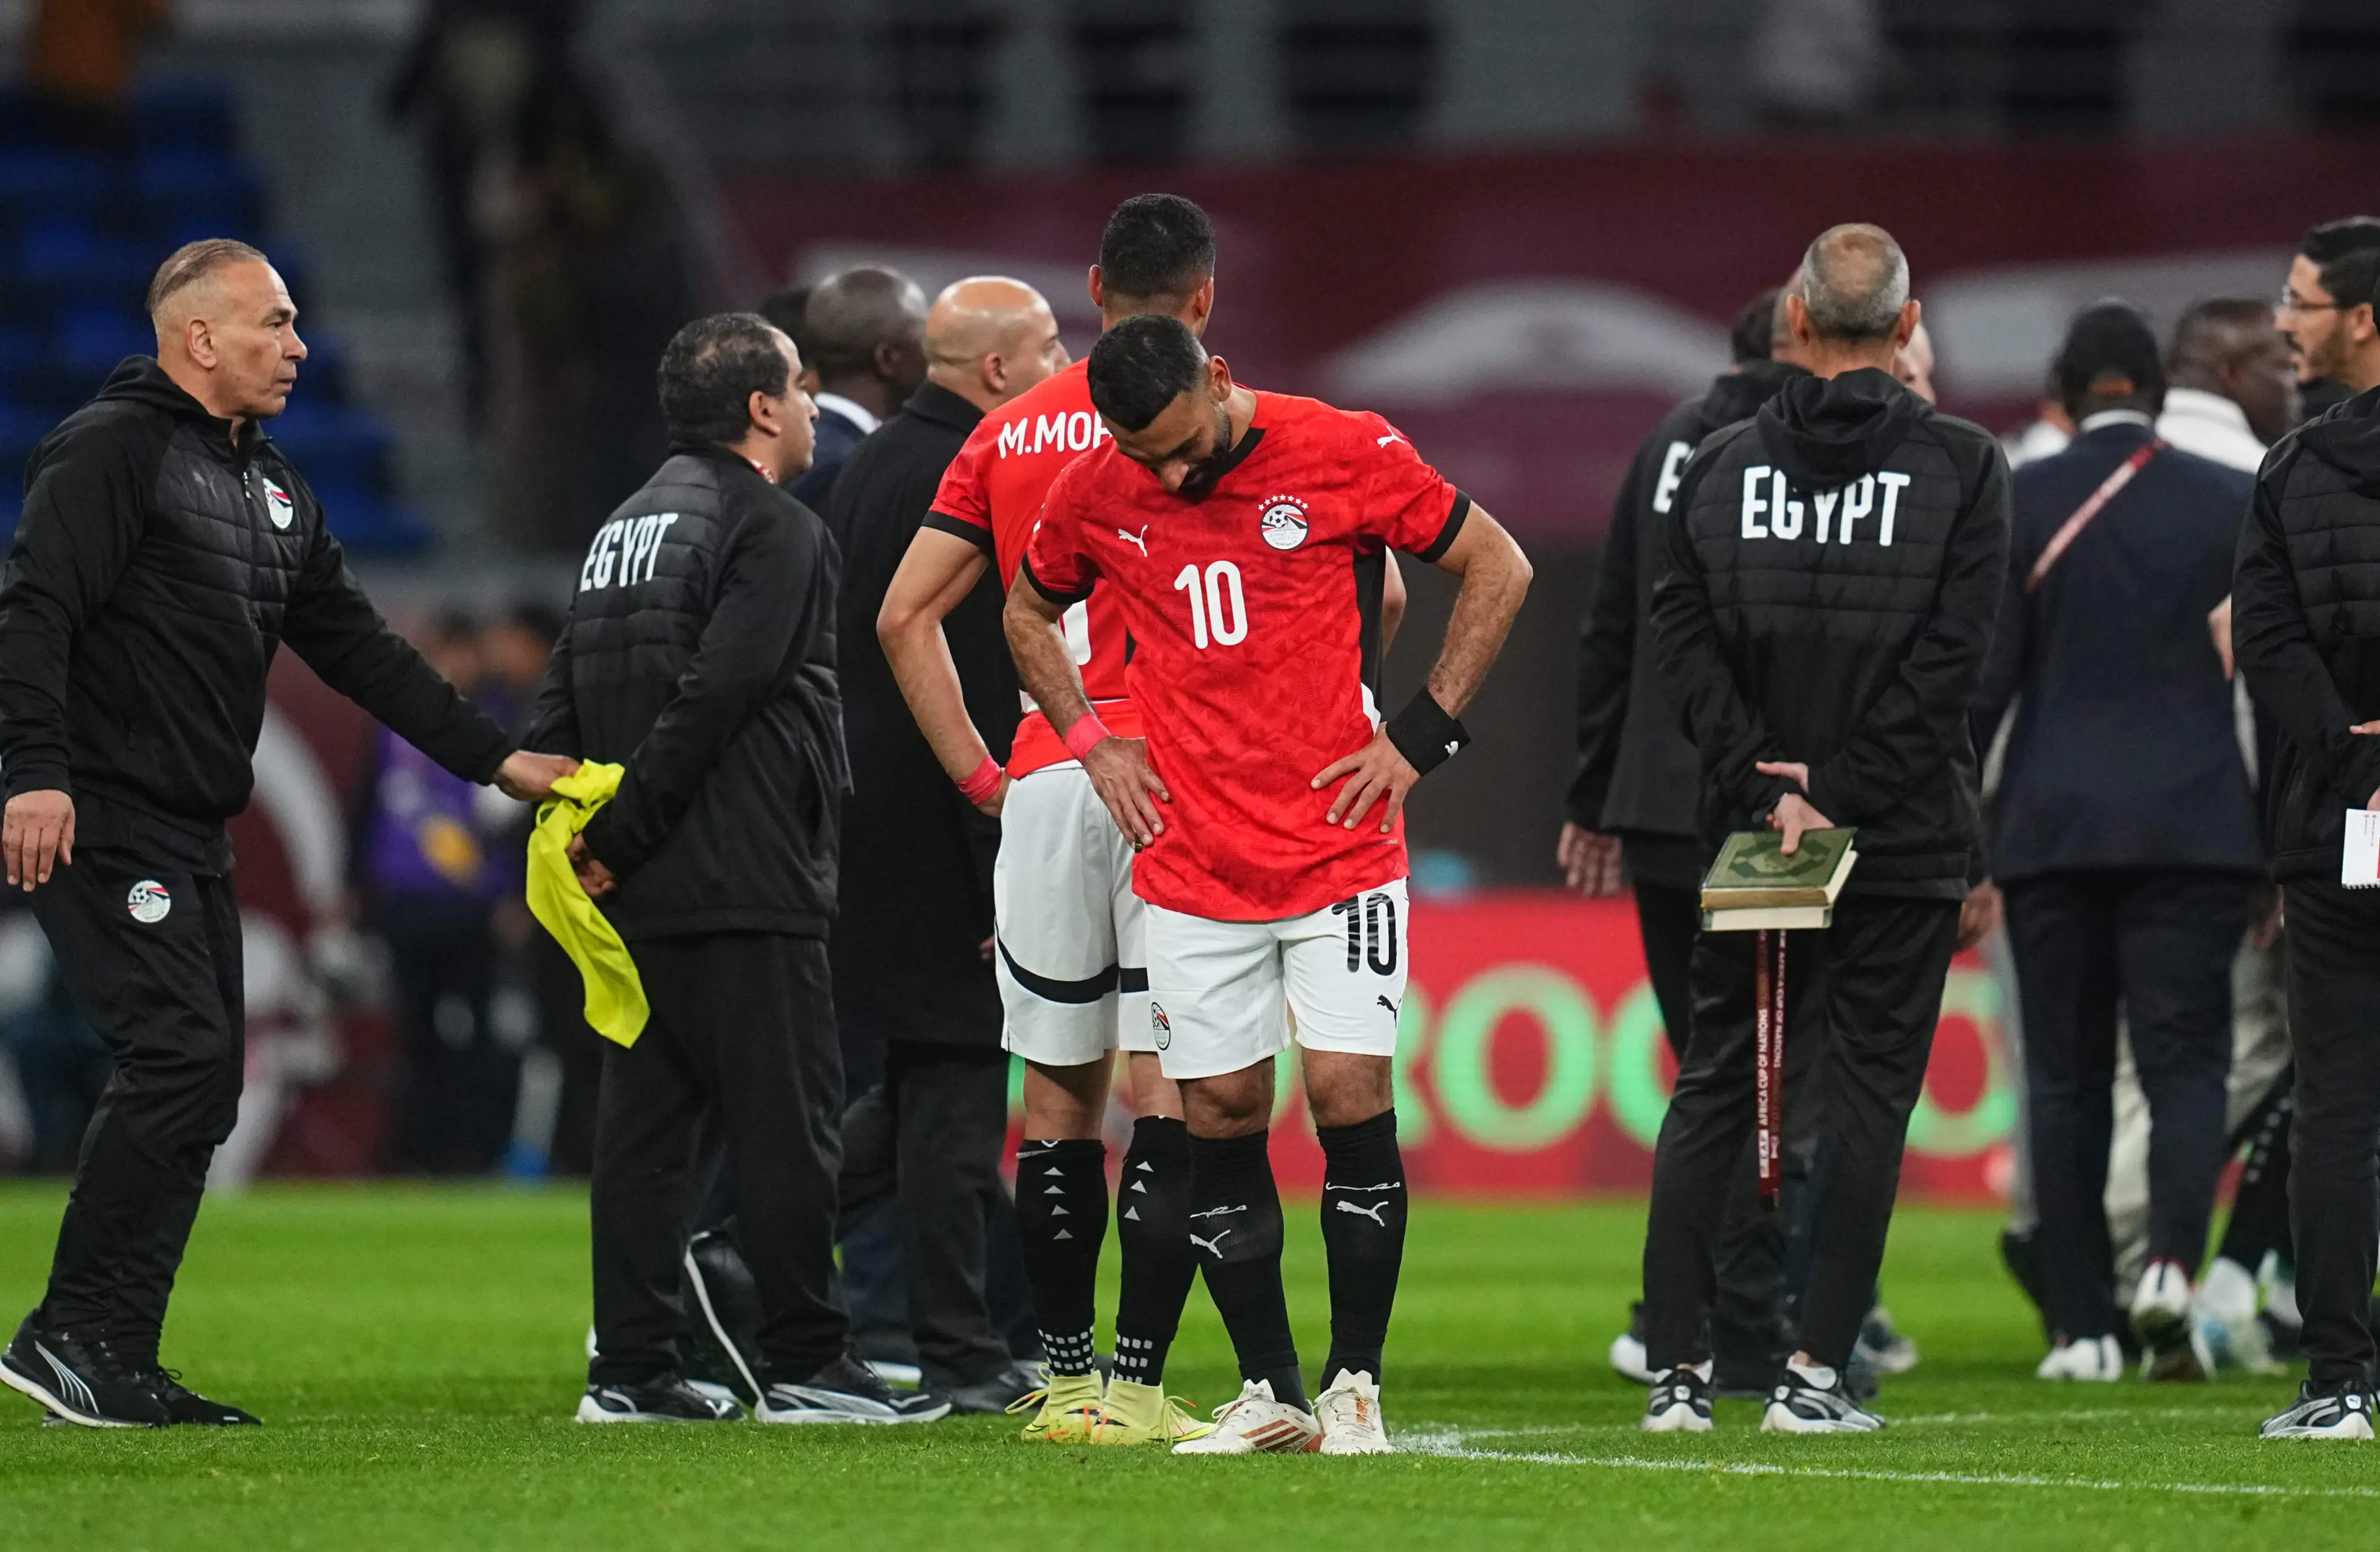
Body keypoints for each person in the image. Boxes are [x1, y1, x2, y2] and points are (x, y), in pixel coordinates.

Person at [0, 239, 574, 1429]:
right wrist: (35, 773)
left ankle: (107, 1344)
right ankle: (71, 1333)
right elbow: (35, 609)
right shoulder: (112, 448)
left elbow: (358, 646)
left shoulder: (271, 489)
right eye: (274, 323)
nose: (300, 345)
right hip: (107, 812)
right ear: (198, 336)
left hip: (191, 823)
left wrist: (493, 755)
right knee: (176, 1056)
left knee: (203, 1074)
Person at [1006, 314, 1532, 1454]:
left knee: (1348, 1092)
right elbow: (1026, 607)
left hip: (1340, 848)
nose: (1173, 474)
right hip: (1192, 862)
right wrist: (1091, 738)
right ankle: (1273, 1390)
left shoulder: (1343, 448)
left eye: (1186, 447)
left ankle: (1356, 1386)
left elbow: (1499, 562)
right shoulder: (1098, 485)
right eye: (1149, 457)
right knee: (1220, 1113)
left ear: (1224, 376)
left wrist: (1420, 736)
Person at [526, 312, 942, 1427]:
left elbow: (566, 687)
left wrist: (592, 832)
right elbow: (718, 695)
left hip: (641, 883)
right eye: (800, 388)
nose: (811, 406)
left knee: (649, 1131)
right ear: (762, 408)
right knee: (791, 1122)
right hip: (742, 866)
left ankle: (634, 1367)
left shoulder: (623, 522)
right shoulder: (776, 527)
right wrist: (624, 833)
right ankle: (809, 1357)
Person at [881, 193, 1240, 1448]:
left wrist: (989, 778)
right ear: (1201, 298)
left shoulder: (1013, 427)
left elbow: (902, 617)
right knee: (1171, 1092)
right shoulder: (1229, 418)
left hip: (1049, 778)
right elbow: (1384, 593)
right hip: (1179, 782)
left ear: (1094, 291)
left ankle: (1064, 1376)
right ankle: (1137, 1384)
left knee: (1055, 1100)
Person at [1639, 224, 2009, 1434]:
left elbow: (1678, 650)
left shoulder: (1714, 462)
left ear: (1797, 319)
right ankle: (1811, 1374)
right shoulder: (1964, 466)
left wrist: (1770, 793)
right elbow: (1954, 667)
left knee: (1714, 1083)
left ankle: (1680, 1375)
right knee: (1863, 1102)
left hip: (1752, 832)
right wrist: (1841, 789)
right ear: (1907, 329)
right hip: (1899, 834)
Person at [1970, 301, 2260, 1383]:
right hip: (2197, 824)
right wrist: (2278, 847)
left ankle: (2080, 1323)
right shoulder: (2230, 500)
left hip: (2049, 827)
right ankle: (2173, 1272)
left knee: (2064, 1074)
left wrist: (1964, 840)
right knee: (2187, 1064)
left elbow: (1985, 689)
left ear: (2067, 385)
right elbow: (2267, 686)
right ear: (2151, 386)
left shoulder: (2016, 499)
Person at [822, 276, 1070, 1415]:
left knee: (922, 1076)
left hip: (873, 805)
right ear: (1001, 370)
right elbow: (971, 661)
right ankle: (961, 1345)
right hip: (942, 812)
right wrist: (994, 812)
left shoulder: (875, 462)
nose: (1068, 360)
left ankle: (733, 1239)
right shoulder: (969, 470)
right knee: (961, 1081)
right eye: (1051, 343)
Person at [1565, 281, 1810, 1393]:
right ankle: (1747, 1319)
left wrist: (1592, 792)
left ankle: (1688, 1312)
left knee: (1713, 1061)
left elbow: (1613, 618)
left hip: (1661, 803)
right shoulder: (1795, 448)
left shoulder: (1669, 439)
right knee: (1767, 1067)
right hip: (1757, 800)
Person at [2232, 224, 2380, 1437]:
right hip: (2345, 807)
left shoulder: (2288, 472)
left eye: (2304, 302)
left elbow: (2267, 645)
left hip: (2338, 824)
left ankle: (2339, 1378)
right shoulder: (2279, 463)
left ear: (2365, 319)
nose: (2285, 322)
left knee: (2335, 1103)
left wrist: (2354, 753)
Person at [790, 267, 929, 510]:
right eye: (925, 341)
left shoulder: (794, 443)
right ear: (888, 358)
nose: (932, 356)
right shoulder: (849, 466)